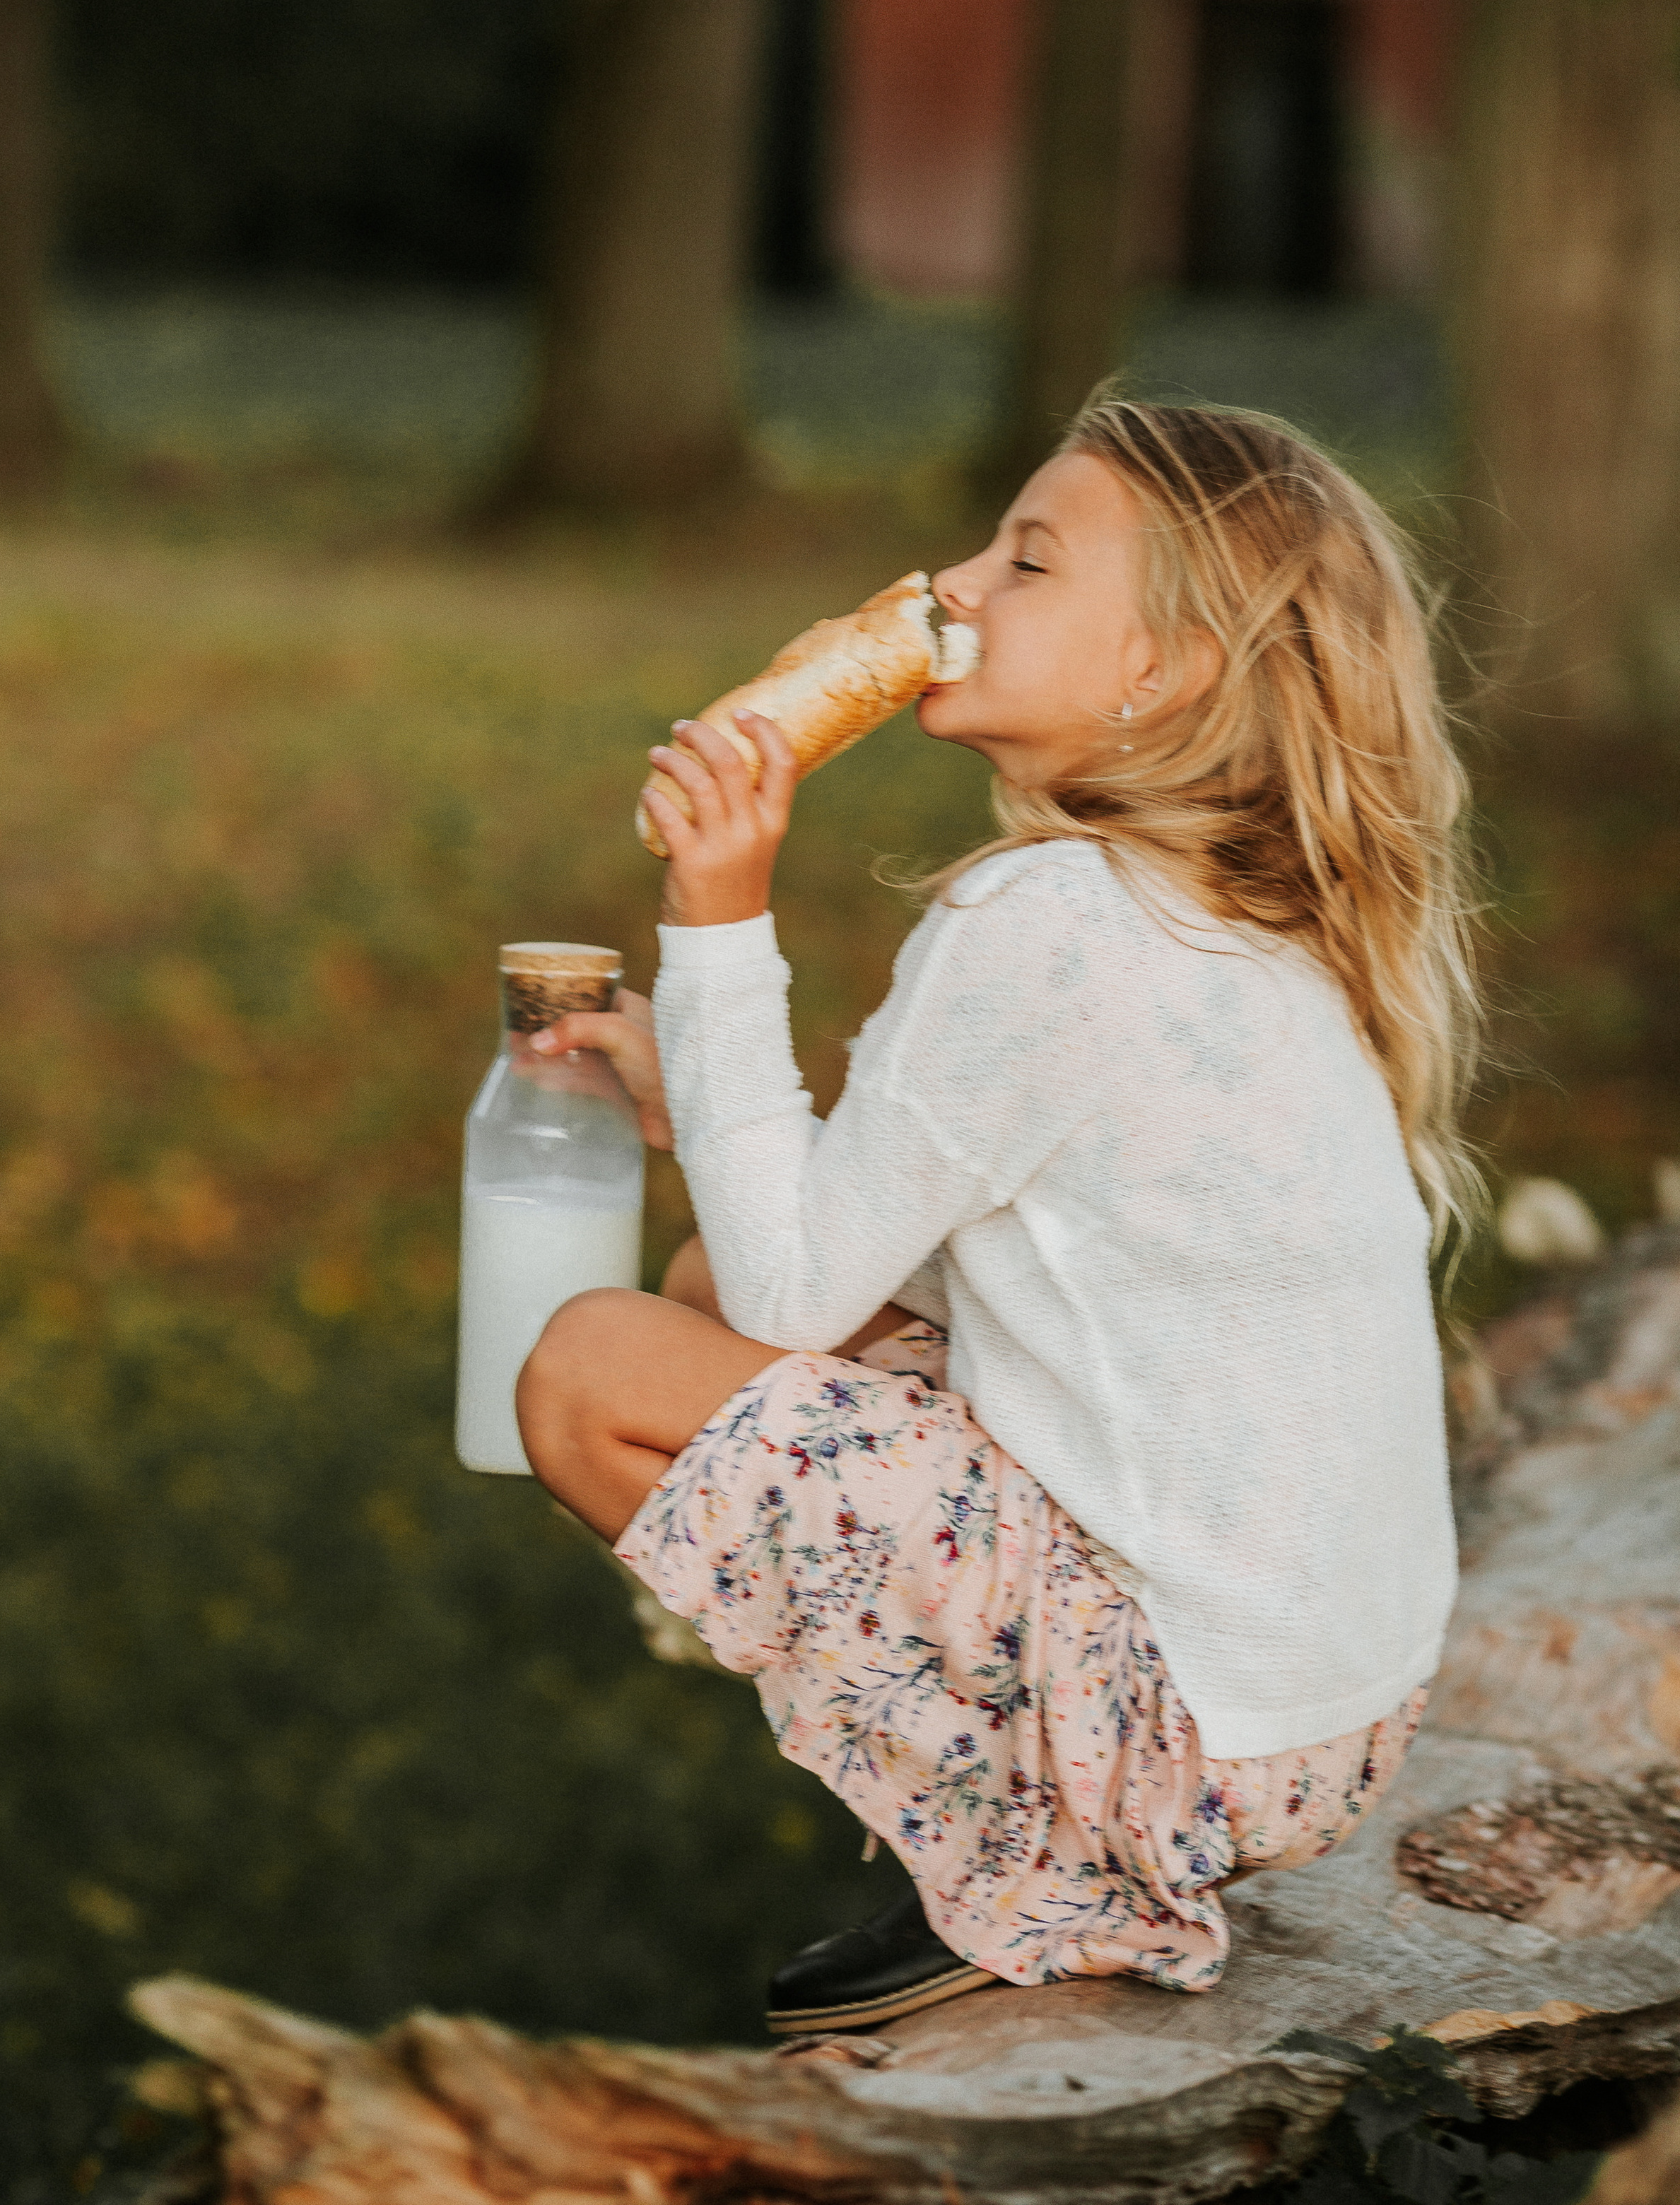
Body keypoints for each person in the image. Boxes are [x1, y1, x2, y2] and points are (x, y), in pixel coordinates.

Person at [515, 397, 1478, 2036]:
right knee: (695, 1283)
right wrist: (697, 1090)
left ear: (1157, 671)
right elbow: (851, 1248)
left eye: (1023, 561)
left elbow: (797, 1284)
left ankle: (1026, 1862)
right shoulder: (1243, 918)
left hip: (1181, 1733)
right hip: (1325, 1722)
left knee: (593, 1369)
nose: (949, 582)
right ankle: (1046, 1819)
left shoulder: (1044, 915)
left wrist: (719, 918)